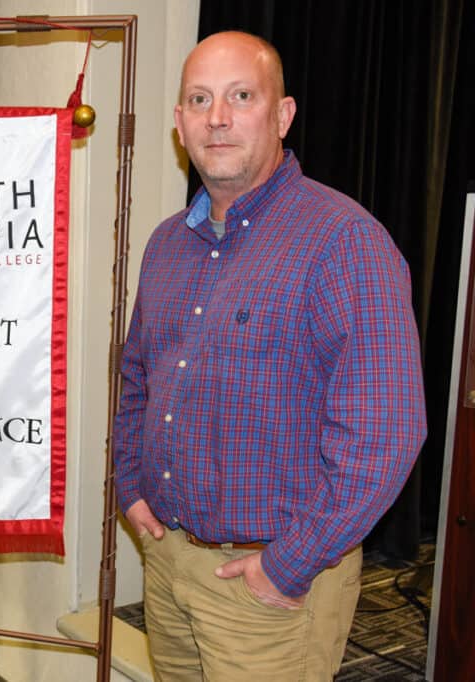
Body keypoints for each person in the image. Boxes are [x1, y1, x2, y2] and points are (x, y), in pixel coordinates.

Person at [112, 31, 427, 680]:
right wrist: (129, 479)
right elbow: (138, 373)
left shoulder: (345, 243)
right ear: (179, 125)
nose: (217, 117)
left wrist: (287, 566)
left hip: (271, 585)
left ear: (282, 114)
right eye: (199, 100)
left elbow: (387, 434)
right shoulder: (167, 244)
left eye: (241, 96)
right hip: (168, 561)